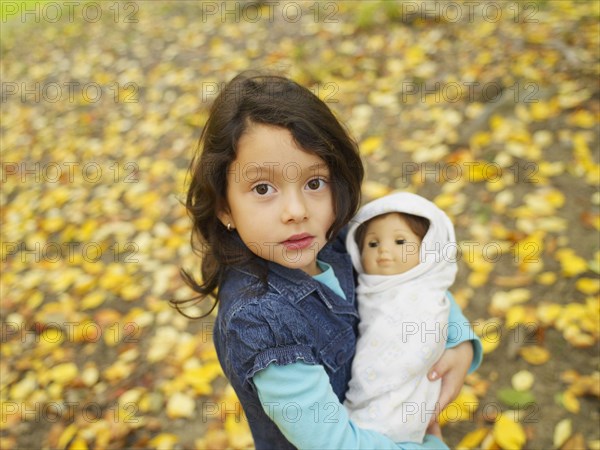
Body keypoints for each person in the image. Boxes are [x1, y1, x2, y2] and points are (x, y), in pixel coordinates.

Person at [177, 71, 482, 449]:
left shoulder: (333, 239)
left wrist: (458, 337)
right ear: (224, 205)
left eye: (314, 183)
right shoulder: (261, 321)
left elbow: (408, 277)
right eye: (262, 188)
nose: (296, 210)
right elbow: (333, 443)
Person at [344, 192, 466, 444]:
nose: (384, 251)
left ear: (428, 250)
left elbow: (417, 348)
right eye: (373, 243)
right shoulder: (366, 290)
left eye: (400, 242)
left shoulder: (425, 296)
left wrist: (464, 341)